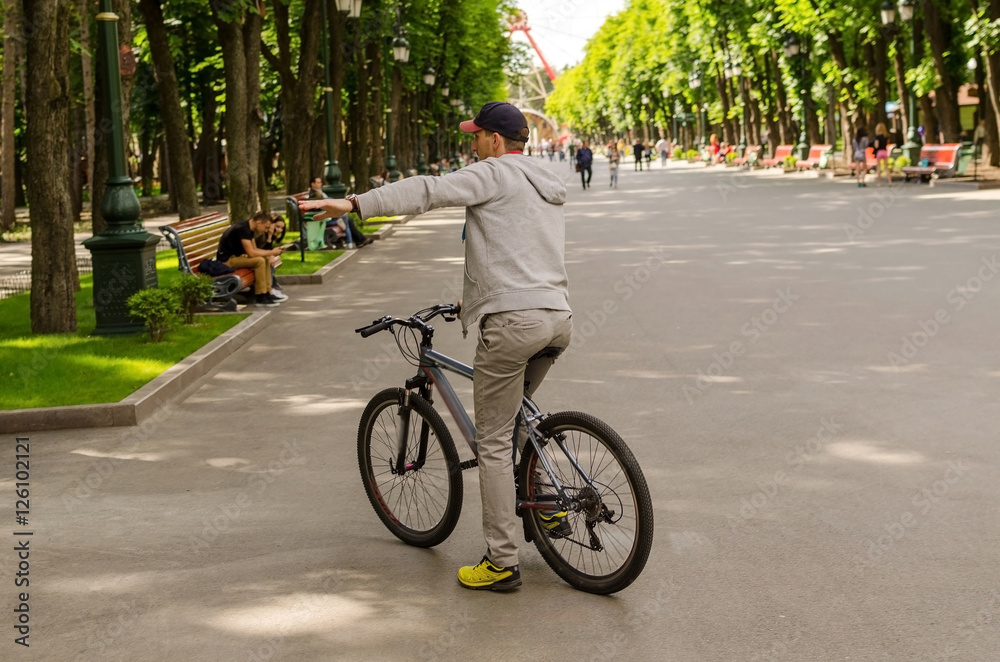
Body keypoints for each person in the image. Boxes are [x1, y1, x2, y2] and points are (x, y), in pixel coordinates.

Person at [299, 101, 573, 591]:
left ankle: (501, 562)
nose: (471, 144)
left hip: (512, 323)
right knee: (518, 417)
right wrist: (472, 299)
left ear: (494, 140)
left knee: (490, 440)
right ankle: (548, 505)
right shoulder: (543, 180)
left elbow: (428, 190)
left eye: (476, 136)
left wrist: (356, 203)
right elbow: (517, 252)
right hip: (555, 317)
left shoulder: (494, 172)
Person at [216, 211, 285, 307]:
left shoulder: (249, 228)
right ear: (259, 223)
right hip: (227, 260)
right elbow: (251, 253)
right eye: (266, 227)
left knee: (264, 259)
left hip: (238, 257)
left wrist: (268, 254)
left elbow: (255, 249)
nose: (266, 230)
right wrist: (271, 252)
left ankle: (267, 292)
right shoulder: (242, 229)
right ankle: (260, 296)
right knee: (259, 261)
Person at [307, 175, 370, 247]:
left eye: (320, 182)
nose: (320, 184)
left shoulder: (320, 192)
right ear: (312, 184)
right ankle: (354, 241)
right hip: (326, 217)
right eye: (318, 182)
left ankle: (359, 240)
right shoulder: (315, 194)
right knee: (345, 218)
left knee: (348, 220)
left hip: (330, 215)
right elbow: (320, 206)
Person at [256, 215, 289, 301]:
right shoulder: (262, 235)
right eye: (277, 226)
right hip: (253, 257)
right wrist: (270, 255)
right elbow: (259, 249)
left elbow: (267, 249)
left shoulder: (270, 235)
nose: (279, 230)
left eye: (282, 228)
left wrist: (270, 236)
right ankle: (269, 290)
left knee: (271, 260)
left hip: (260, 256)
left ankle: (270, 288)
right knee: (267, 260)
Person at [873, 122, 891, 186]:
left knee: (878, 167)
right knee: (886, 167)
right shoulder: (886, 136)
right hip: (885, 152)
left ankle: (879, 182)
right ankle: (889, 181)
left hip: (879, 152)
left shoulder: (877, 137)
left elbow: (876, 146)